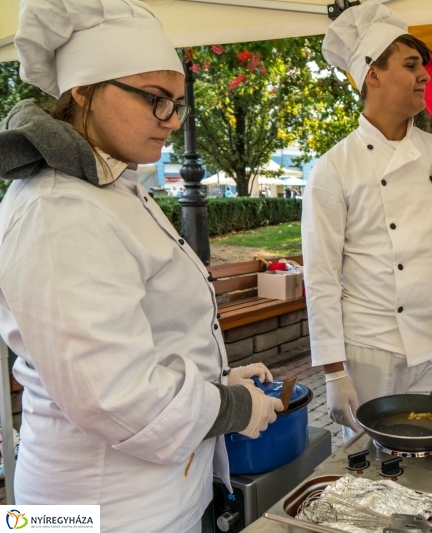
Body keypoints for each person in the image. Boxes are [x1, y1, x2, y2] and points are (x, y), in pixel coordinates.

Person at [0, 1, 283, 531]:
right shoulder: (58, 209)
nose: (172, 121)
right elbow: (113, 395)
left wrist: (217, 380)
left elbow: (146, 336)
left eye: (177, 103)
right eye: (155, 100)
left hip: (154, 493)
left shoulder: (114, 187)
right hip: (100, 507)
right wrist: (233, 408)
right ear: (82, 91)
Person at [303, 3, 432, 440]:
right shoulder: (334, 168)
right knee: (369, 472)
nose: (425, 76)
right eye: (411, 65)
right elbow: (319, 277)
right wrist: (333, 372)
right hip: (369, 353)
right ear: (373, 74)